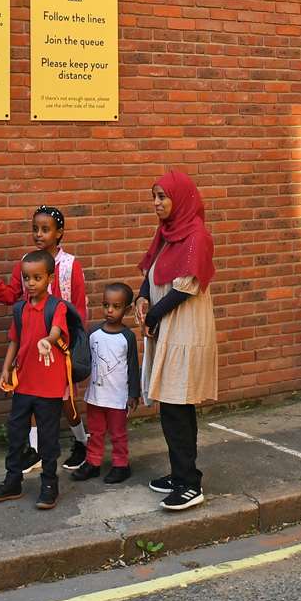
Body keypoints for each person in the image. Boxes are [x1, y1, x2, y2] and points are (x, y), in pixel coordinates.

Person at [137, 170, 218, 512]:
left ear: (181, 198)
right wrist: (142, 299)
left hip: (184, 332)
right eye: (154, 197)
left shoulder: (196, 236)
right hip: (167, 330)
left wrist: (153, 316)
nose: (157, 203)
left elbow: (186, 285)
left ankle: (189, 483)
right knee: (170, 406)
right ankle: (179, 473)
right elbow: (153, 271)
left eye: (163, 197)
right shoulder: (167, 232)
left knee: (177, 407)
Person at [0, 207, 90, 471]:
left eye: (45, 229)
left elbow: (79, 308)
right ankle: (34, 451)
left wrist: (74, 342)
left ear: (60, 233)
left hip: (59, 343)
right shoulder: (27, 261)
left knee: (65, 398)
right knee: (29, 394)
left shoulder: (69, 265)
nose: (38, 234)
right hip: (30, 343)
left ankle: (81, 441)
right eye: (35, 229)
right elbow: (12, 295)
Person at [0, 250, 70, 510]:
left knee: (48, 438)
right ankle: (12, 481)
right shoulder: (20, 307)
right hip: (24, 382)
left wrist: (48, 339)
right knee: (16, 434)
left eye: (37, 277)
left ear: (50, 278)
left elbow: (57, 330)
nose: (31, 283)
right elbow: (15, 339)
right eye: (26, 278)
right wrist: (5, 368)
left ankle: (49, 484)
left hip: (50, 386)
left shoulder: (57, 307)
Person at [73, 282, 140, 483]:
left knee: (118, 434)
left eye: (116, 306)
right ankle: (93, 463)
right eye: (106, 305)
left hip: (118, 398)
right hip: (95, 396)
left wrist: (133, 394)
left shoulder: (127, 337)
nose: (109, 310)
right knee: (95, 432)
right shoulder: (93, 333)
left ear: (126, 309)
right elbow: (83, 361)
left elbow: (133, 366)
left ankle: (121, 465)